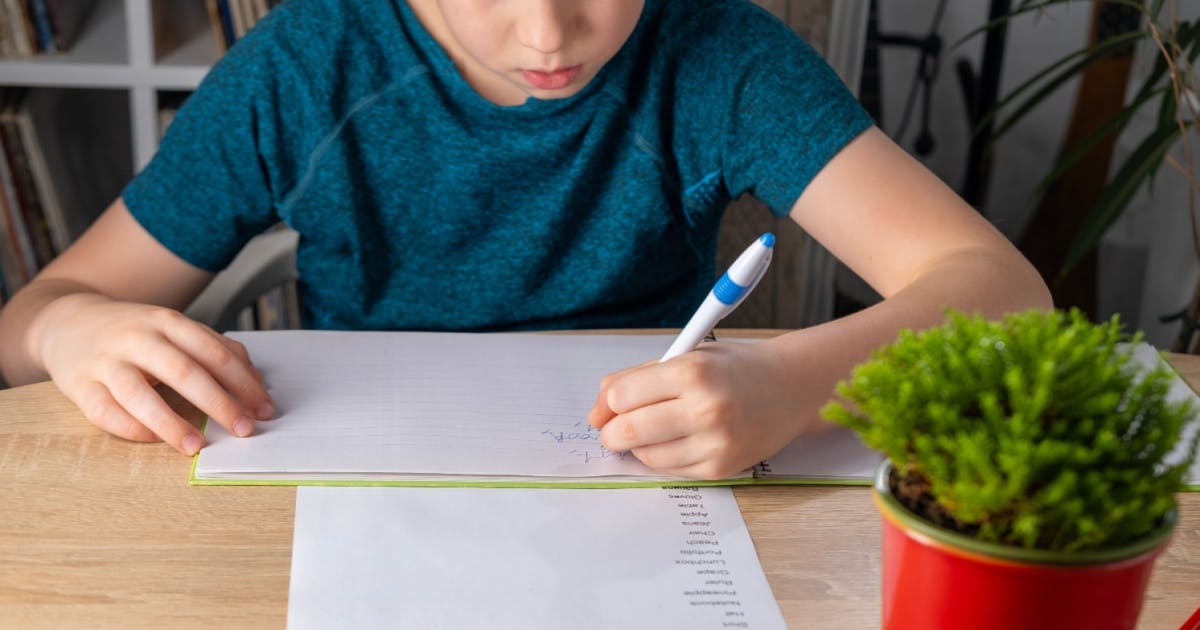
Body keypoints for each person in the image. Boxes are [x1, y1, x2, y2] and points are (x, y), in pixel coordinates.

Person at [0, 0, 1050, 480]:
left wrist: (793, 381)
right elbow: (24, 329)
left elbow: (1001, 289)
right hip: (356, 493)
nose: (546, 35)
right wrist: (72, 330)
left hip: (661, 484)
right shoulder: (300, 66)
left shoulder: (720, 54)